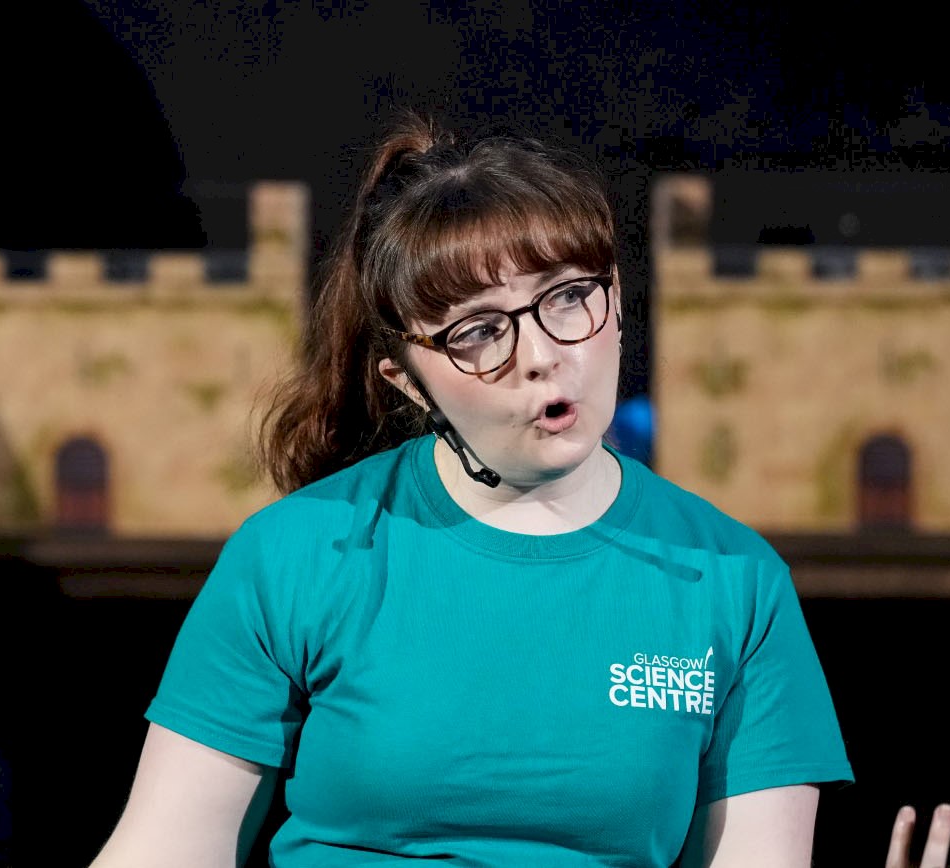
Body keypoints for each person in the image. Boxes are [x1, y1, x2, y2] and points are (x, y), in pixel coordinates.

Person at [90, 112, 855, 867]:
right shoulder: (297, 553)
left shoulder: (736, 580)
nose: (543, 355)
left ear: (616, 300)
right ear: (409, 382)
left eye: (567, 296)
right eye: (480, 330)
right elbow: (167, 845)